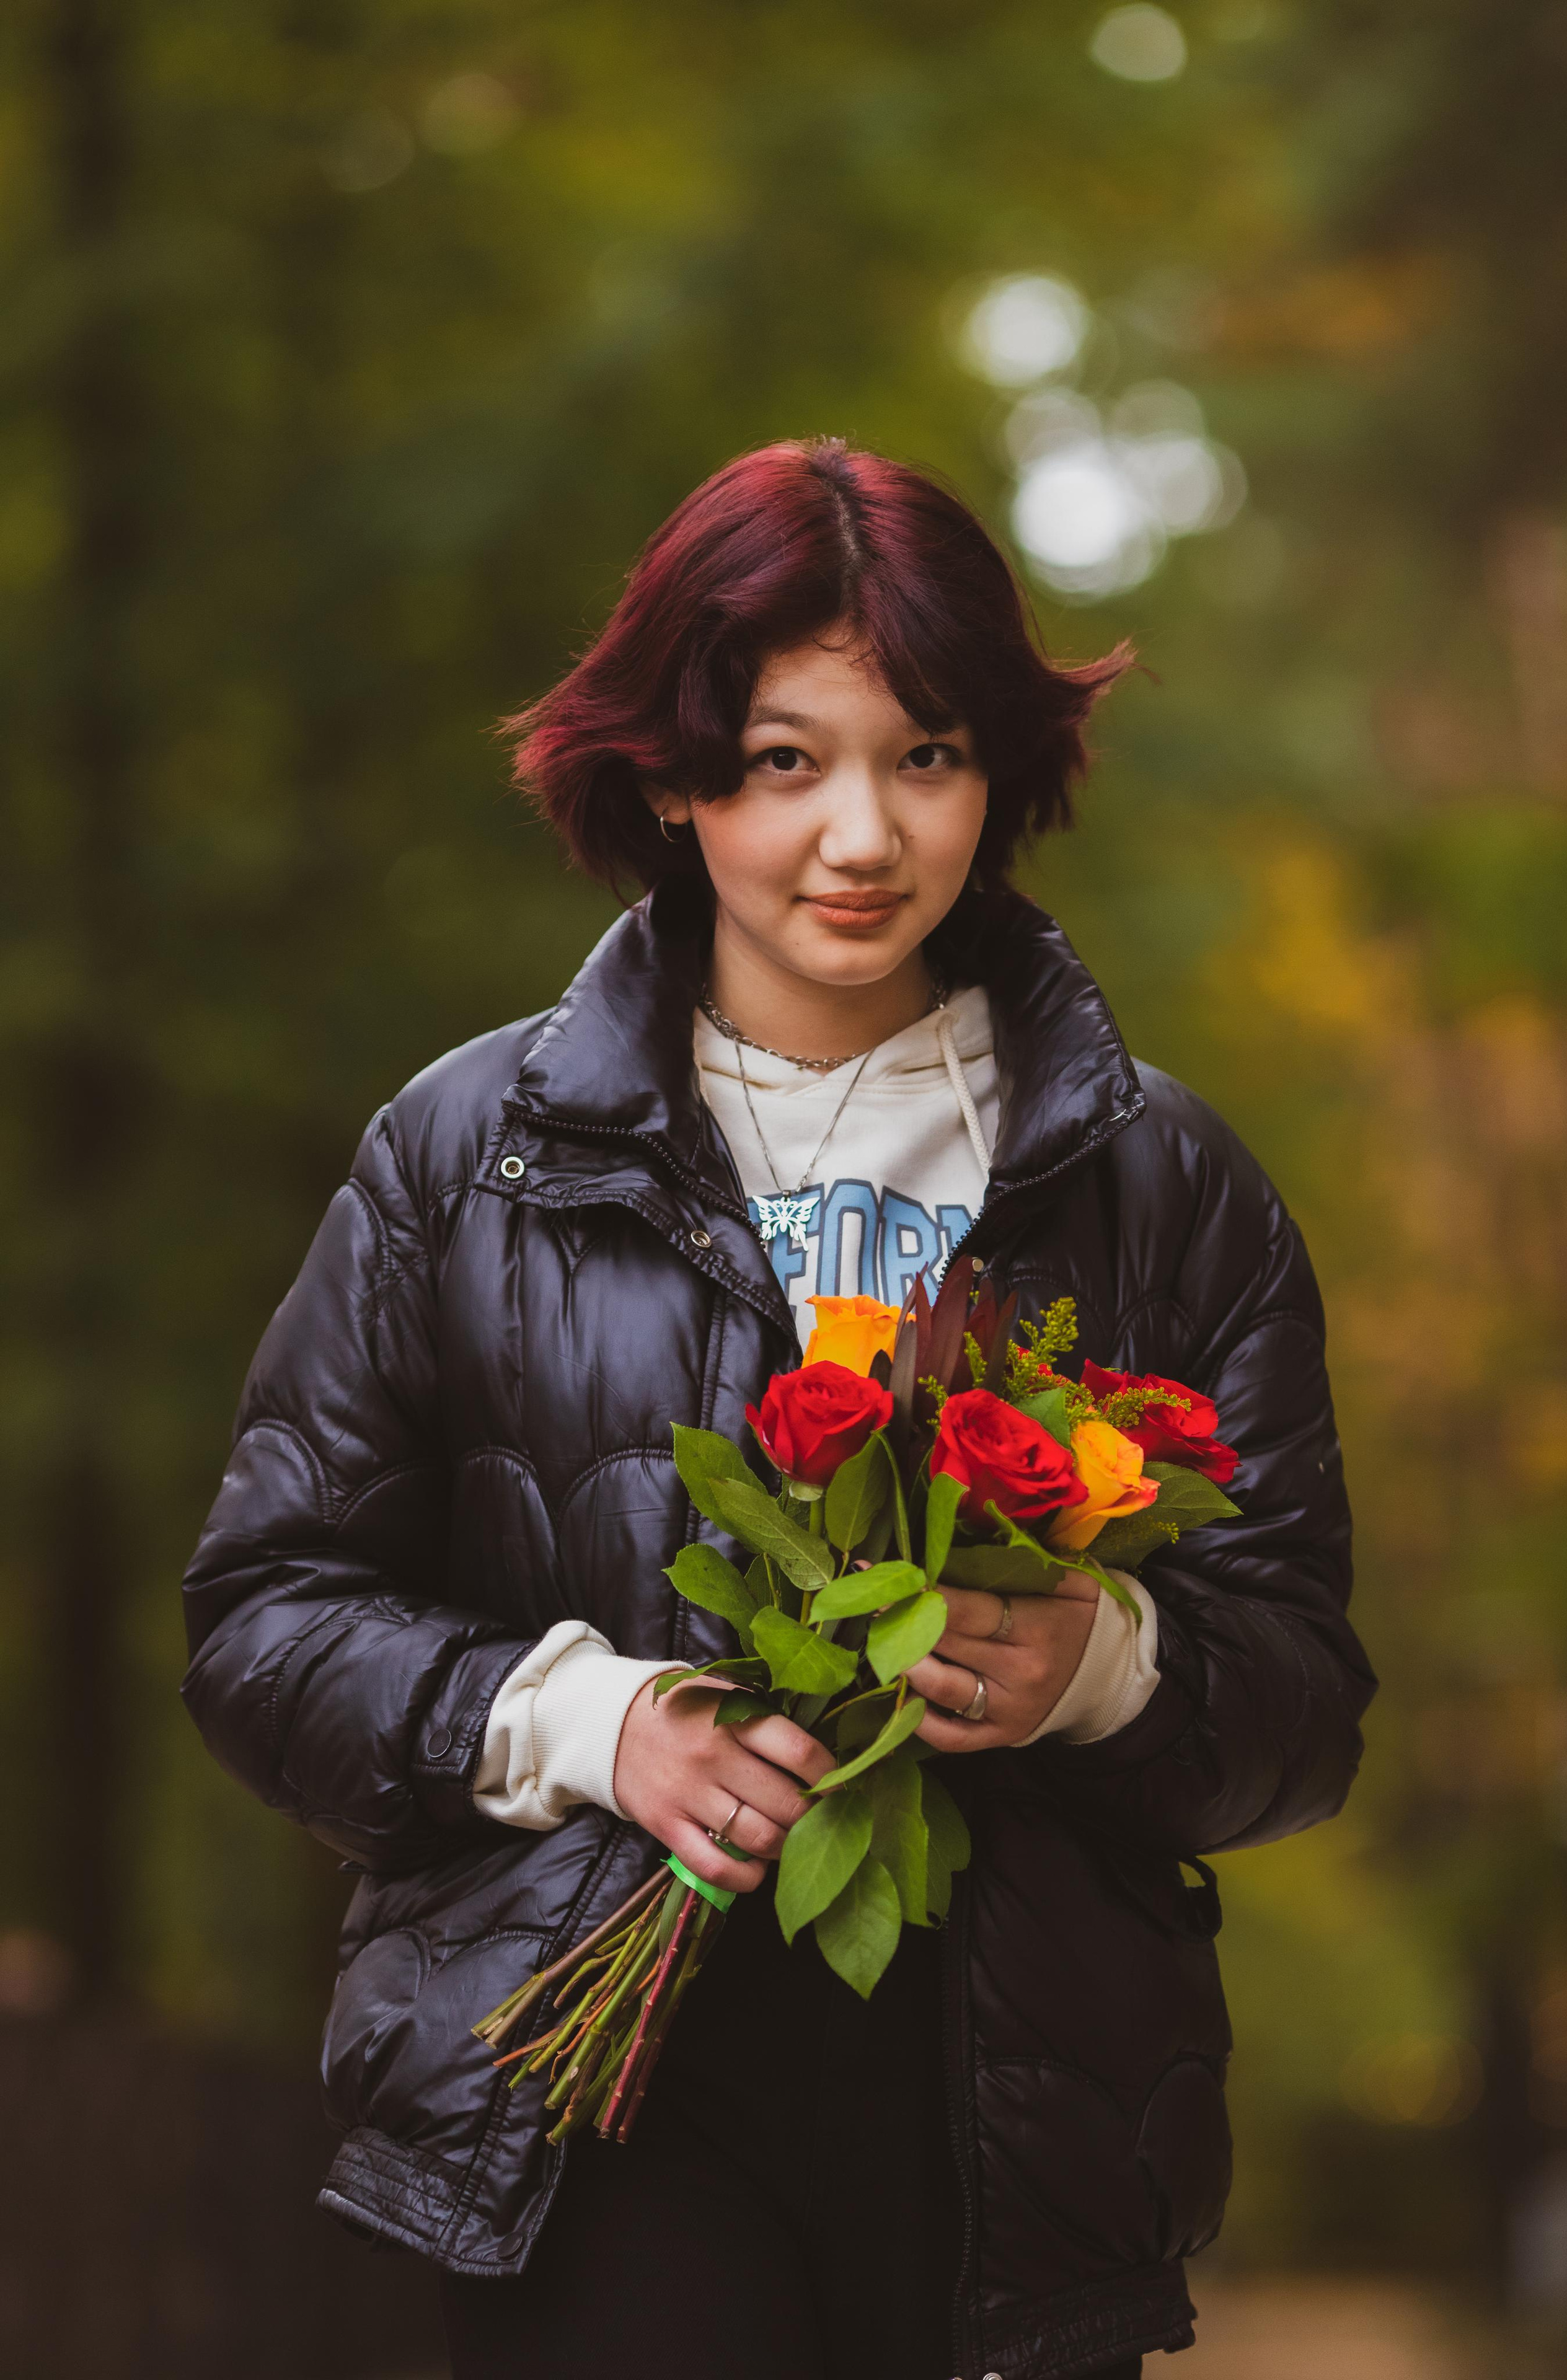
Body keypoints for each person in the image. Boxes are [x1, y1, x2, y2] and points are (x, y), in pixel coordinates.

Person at [180, 438, 1374, 2380]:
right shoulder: (466, 1159)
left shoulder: (1165, 1184)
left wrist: (1102, 1662)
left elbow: (1306, 1703)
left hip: (1021, 2142)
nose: (864, 837)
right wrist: (593, 1719)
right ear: (668, 778)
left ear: (999, 770)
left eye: (926, 756)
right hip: (587, 2101)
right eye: (781, 760)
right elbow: (260, 1623)